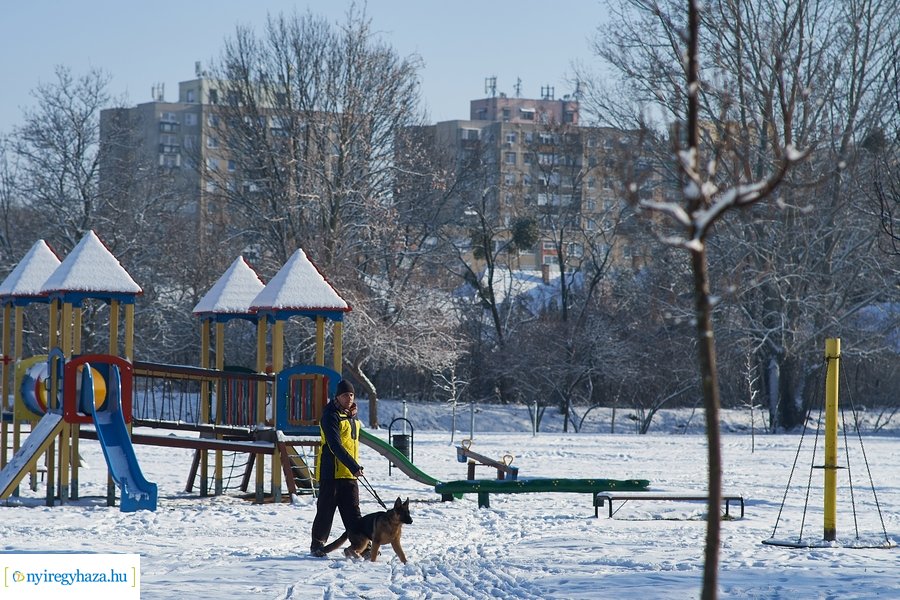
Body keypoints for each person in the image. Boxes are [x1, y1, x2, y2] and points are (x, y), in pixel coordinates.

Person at [310, 378, 364, 557]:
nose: (348, 398)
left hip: (348, 474)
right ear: (337, 397)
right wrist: (353, 465)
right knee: (325, 511)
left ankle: (361, 545)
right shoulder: (330, 415)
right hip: (330, 472)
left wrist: (353, 468)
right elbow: (335, 445)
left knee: (353, 512)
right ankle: (317, 545)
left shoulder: (352, 416)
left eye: (351, 394)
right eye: (344, 395)